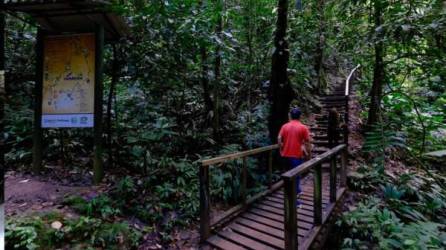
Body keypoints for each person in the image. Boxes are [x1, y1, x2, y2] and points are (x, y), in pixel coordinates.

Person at [277, 107, 312, 206]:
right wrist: (308, 155)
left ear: (290, 116)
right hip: (296, 156)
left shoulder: (284, 126)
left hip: (285, 156)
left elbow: (279, 138)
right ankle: (294, 202)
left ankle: (297, 191)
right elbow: (307, 143)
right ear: (300, 116)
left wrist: (281, 149)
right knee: (295, 178)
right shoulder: (303, 128)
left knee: (288, 177)